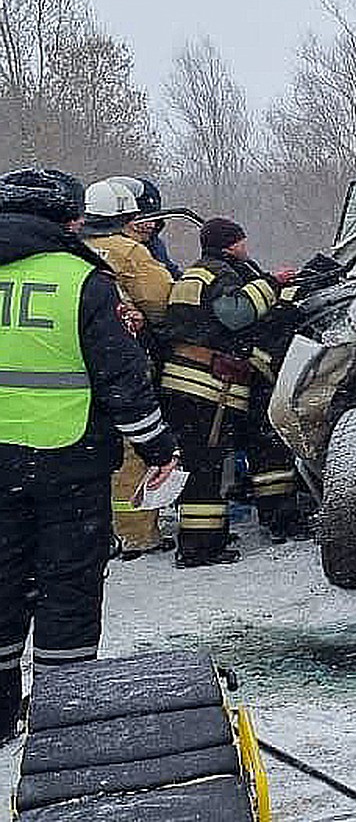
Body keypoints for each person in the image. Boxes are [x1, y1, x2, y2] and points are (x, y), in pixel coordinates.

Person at [0, 168, 179, 742]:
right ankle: (61, 718)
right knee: (67, 589)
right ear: (66, 219)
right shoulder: (83, 281)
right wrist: (157, 448)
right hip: (68, 464)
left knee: (1, 583)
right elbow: (122, 380)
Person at [161, 217, 300, 566]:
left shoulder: (193, 274)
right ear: (231, 244)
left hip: (180, 384)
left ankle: (202, 539)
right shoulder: (223, 274)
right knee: (206, 467)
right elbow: (234, 315)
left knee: (200, 463)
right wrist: (272, 284)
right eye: (242, 241)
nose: (246, 246)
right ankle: (200, 548)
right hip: (207, 387)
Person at [80, 177, 179, 559]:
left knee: (92, 453)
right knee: (131, 453)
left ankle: (98, 531)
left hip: (72, 371)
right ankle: (137, 535)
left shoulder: (71, 245)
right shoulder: (128, 251)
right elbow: (161, 300)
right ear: (127, 216)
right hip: (120, 361)